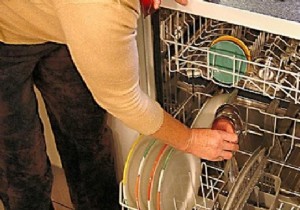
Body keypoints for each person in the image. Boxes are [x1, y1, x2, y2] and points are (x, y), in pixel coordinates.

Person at [0, 0, 238, 209]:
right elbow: (124, 101)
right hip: (5, 31)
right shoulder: (103, 8)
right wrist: (189, 140)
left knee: (86, 135)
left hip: (56, 17)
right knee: (20, 163)